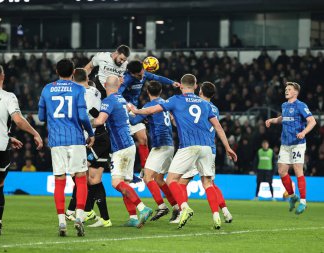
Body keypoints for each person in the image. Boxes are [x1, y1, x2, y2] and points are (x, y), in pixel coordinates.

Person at [130, 74, 237, 229]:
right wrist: (227, 147)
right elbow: (218, 127)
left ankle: (184, 208)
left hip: (189, 146)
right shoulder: (205, 104)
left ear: (180, 85)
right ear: (195, 86)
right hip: (207, 147)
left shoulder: (175, 100)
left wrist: (136, 110)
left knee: (171, 180)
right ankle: (216, 217)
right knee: (208, 183)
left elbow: (152, 109)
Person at [0, 63, 43, 237]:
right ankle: (0, 223)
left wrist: (8, 137)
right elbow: (18, 120)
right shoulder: (8, 96)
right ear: (3, 76)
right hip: (2, 148)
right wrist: (35, 133)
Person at [38, 59, 95, 237]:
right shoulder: (78, 89)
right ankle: (78, 218)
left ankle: (62, 222)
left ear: (56, 71)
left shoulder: (47, 89)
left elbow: (41, 116)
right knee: (80, 178)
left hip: (56, 140)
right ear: (73, 72)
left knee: (59, 181)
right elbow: (82, 116)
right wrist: (90, 132)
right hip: (76, 138)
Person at [93, 75, 153, 228]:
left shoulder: (109, 101)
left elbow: (99, 121)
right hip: (129, 144)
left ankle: (142, 208)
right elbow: (134, 114)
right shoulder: (122, 100)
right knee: (125, 183)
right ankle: (133, 217)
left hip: (120, 147)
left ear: (105, 85)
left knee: (116, 183)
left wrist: (83, 123)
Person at [177, 81, 233, 226]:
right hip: (210, 149)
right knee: (210, 183)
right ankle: (223, 212)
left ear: (200, 92)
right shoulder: (214, 108)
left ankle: (182, 212)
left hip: (193, 147)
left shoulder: (197, 105)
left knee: (181, 183)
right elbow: (217, 127)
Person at [65, 68, 112, 228]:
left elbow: (84, 117)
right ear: (87, 77)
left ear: (72, 79)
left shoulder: (78, 94)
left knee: (78, 174)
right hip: (102, 138)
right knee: (93, 179)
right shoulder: (95, 91)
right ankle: (101, 216)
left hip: (93, 138)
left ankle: (82, 210)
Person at [129, 81, 179, 222]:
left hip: (160, 145)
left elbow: (134, 121)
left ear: (147, 92)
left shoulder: (149, 106)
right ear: (161, 90)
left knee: (147, 177)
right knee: (158, 179)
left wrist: (125, 112)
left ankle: (162, 206)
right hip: (169, 144)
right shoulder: (165, 103)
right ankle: (176, 207)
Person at [119, 60, 180, 174]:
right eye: (139, 75)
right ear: (132, 74)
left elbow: (157, 77)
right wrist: (126, 105)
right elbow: (117, 94)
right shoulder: (126, 79)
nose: (142, 77)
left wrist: (172, 82)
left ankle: (144, 167)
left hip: (134, 109)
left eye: (143, 73)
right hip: (124, 109)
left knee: (143, 139)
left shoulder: (143, 73)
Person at [265, 82, 316, 214]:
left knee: (298, 170)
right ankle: (293, 196)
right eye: (286, 89)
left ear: (295, 92)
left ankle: (303, 202)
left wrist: (304, 132)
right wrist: (272, 120)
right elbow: (284, 118)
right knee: (282, 171)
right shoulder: (284, 105)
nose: (286, 91)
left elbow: (312, 121)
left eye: (289, 89)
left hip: (297, 143)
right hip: (285, 143)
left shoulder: (301, 105)